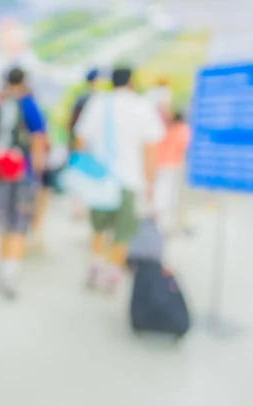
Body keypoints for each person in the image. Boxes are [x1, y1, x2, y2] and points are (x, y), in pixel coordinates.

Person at [75, 67, 164, 293]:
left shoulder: (98, 103)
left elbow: (80, 141)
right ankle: (113, 275)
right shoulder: (142, 106)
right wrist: (150, 181)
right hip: (130, 181)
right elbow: (150, 148)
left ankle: (95, 267)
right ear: (132, 81)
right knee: (123, 232)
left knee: (98, 228)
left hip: (100, 180)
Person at [0, 67, 46, 299]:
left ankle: (5, 265)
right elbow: (38, 137)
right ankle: (10, 272)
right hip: (22, 172)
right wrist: (37, 170)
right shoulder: (28, 104)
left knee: (3, 221)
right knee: (19, 223)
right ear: (24, 81)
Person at [66, 68, 100, 219]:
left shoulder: (82, 98)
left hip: (81, 141)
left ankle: (78, 207)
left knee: (80, 174)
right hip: (91, 143)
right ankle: (84, 207)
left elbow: (71, 121)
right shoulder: (97, 99)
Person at [154, 111, 191, 235]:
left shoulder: (164, 128)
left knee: (160, 194)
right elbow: (186, 147)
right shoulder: (183, 130)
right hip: (172, 166)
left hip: (159, 164)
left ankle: (160, 222)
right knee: (169, 196)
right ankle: (163, 224)